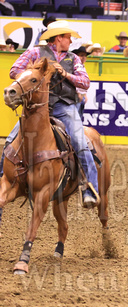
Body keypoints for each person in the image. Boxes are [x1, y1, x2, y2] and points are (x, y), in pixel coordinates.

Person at [3, 20, 99, 208]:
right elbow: (14, 71)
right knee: (10, 142)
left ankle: (90, 189)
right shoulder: (35, 53)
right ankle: (3, 178)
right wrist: (35, 71)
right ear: (58, 38)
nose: (71, 41)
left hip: (64, 107)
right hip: (36, 108)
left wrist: (65, 73)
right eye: (68, 37)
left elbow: (85, 82)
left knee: (80, 142)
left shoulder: (73, 58)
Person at [72, 46, 89, 116]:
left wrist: (84, 95)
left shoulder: (82, 67)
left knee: (78, 118)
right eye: (81, 55)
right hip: (76, 96)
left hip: (81, 96)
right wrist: (78, 93)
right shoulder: (74, 67)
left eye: (85, 56)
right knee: (76, 119)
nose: (84, 57)